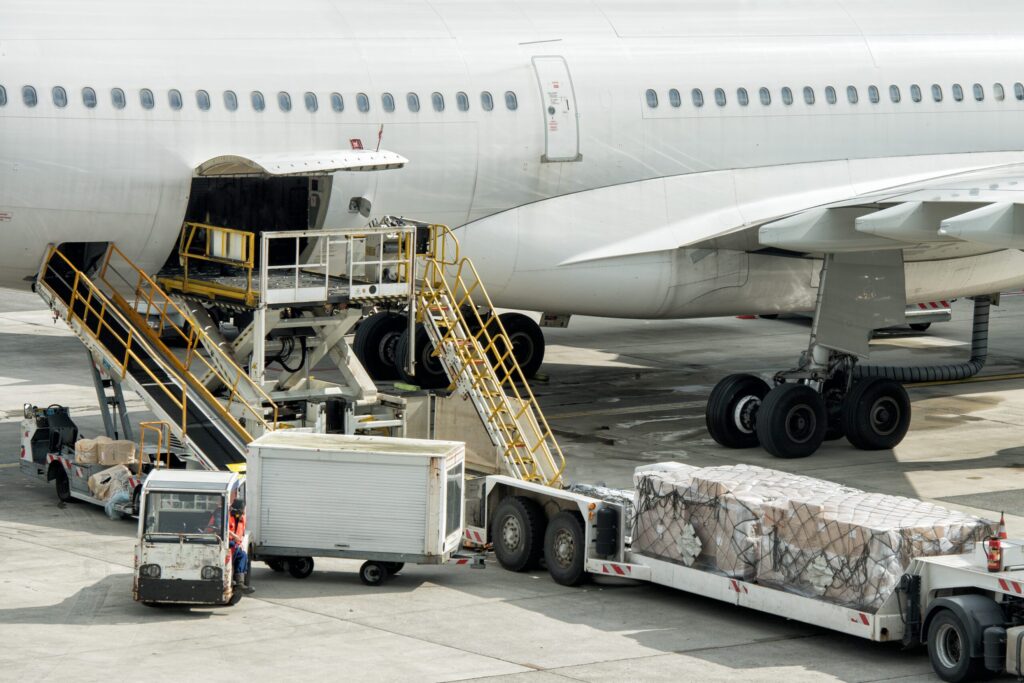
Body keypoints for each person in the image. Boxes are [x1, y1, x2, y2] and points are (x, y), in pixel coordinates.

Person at [229, 497, 254, 594]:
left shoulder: (241, 518)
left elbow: (241, 533)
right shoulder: (225, 515)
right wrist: (234, 536)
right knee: (233, 548)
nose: (243, 511)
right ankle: (229, 579)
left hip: (235, 543)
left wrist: (240, 543)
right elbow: (221, 529)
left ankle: (239, 583)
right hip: (223, 541)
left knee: (243, 555)